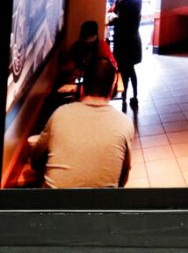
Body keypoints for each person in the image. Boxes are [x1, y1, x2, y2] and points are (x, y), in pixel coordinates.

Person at [30, 57, 134, 188]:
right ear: (112, 91)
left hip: (53, 206)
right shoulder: (124, 123)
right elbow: (122, 179)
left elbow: (35, 161)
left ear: (82, 88)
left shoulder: (60, 114)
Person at [110, 0, 142, 110]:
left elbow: (122, 22)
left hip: (124, 43)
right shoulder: (137, 2)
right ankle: (134, 96)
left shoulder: (125, 4)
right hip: (134, 41)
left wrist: (114, 19)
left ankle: (124, 97)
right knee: (131, 70)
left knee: (124, 71)